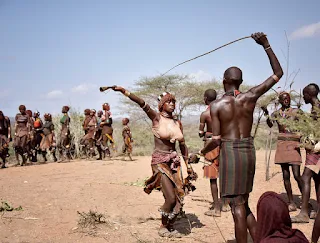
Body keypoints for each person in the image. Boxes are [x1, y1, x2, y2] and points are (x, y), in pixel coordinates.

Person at [199, 32, 283, 243]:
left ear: (224, 81)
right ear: (241, 82)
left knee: (236, 207)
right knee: (243, 203)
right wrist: (266, 45)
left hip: (230, 153)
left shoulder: (216, 106)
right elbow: (278, 73)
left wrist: (199, 152)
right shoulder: (251, 96)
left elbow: (216, 139)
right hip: (248, 152)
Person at [110, 86, 197, 238]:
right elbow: (141, 102)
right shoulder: (156, 118)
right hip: (160, 162)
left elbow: (182, 146)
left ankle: (170, 227)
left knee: (179, 198)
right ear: (161, 104)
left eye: (173, 101)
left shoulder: (178, 123)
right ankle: (163, 227)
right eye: (168, 101)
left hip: (174, 163)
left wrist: (188, 166)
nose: (172, 104)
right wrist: (123, 91)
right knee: (170, 198)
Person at [262, 92, 303, 211]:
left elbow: (304, 124)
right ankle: (291, 202)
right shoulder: (277, 113)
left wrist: (300, 135)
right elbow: (270, 124)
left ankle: (305, 200)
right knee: (286, 175)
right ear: (280, 101)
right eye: (284, 99)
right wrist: (266, 113)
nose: (286, 100)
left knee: (296, 175)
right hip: (282, 144)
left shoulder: (296, 112)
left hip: (293, 144)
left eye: (288, 98)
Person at [291, 83, 320, 242]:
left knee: (305, 176)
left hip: (316, 150)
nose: (303, 97)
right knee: (316, 178)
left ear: (310, 94)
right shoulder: (316, 107)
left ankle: (303, 212)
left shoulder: (317, 108)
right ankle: (317, 211)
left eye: (305, 94)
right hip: (315, 148)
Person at [199, 89, 230, 216]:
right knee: (224, 175)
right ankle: (226, 204)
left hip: (210, 146)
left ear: (206, 98)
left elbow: (200, 132)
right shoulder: (222, 112)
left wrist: (204, 133)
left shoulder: (205, 114)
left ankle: (216, 208)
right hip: (223, 143)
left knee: (213, 178)